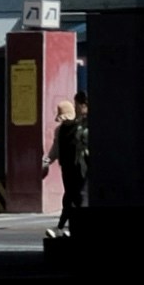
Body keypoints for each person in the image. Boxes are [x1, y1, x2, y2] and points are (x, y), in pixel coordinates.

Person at [51, 89, 90, 239]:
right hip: (67, 168)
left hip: (81, 166)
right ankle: (66, 228)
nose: (77, 108)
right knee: (70, 198)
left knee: (79, 198)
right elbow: (55, 149)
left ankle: (65, 227)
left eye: (77, 105)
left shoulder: (83, 126)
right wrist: (47, 161)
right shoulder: (60, 130)